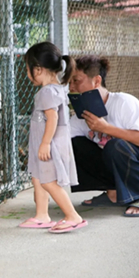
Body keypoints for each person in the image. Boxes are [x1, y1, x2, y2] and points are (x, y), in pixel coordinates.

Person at [68, 55, 139, 217]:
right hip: (120, 169)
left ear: (96, 81)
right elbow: (61, 140)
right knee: (73, 144)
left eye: (76, 80)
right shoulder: (81, 116)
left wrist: (107, 128)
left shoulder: (124, 102)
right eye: (69, 82)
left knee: (116, 145)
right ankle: (113, 194)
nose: (71, 87)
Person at [20, 41, 85, 233]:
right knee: (38, 178)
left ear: (38, 69)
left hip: (49, 143)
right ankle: (42, 215)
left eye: (27, 69)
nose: (26, 73)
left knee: (49, 181)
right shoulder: (56, 89)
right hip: (44, 142)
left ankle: (73, 216)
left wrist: (45, 143)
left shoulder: (47, 92)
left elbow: (53, 117)